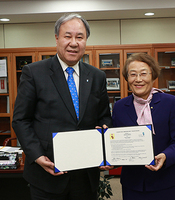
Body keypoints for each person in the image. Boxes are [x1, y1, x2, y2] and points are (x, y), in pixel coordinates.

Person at [12, 13, 112, 200]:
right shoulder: (34, 73)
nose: (73, 43)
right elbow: (21, 119)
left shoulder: (97, 76)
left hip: (86, 174)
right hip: (48, 172)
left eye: (79, 37)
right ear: (57, 38)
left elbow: (104, 116)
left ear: (86, 41)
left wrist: (105, 145)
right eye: (68, 36)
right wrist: (37, 156)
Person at [112, 53, 175, 200]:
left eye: (143, 74)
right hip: (133, 184)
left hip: (165, 181)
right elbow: (116, 143)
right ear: (127, 78)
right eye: (132, 74)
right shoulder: (120, 107)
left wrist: (166, 156)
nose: (138, 79)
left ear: (153, 76)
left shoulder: (170, 103)